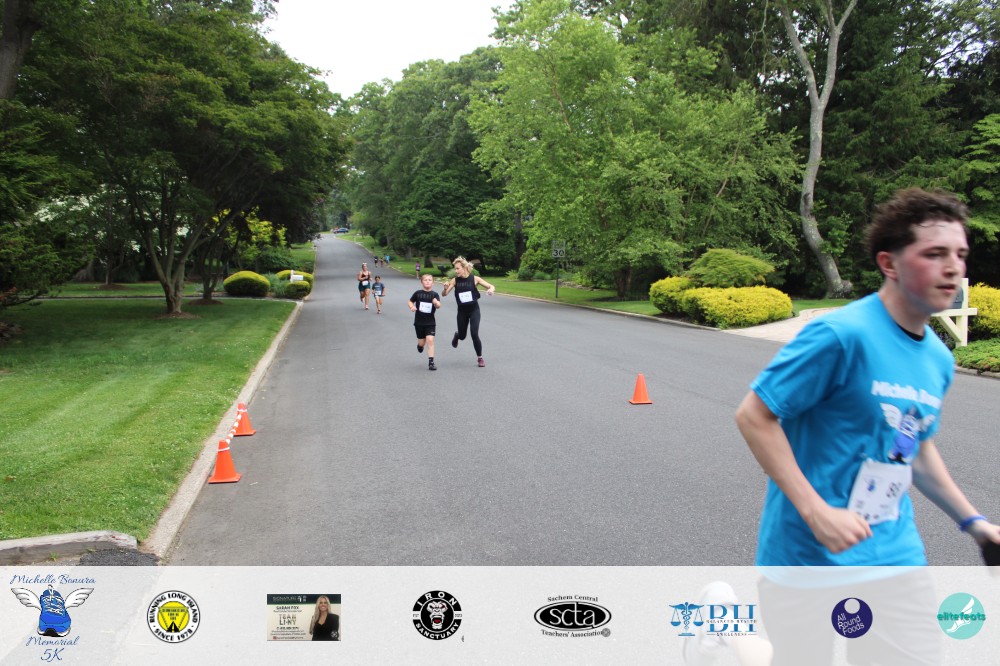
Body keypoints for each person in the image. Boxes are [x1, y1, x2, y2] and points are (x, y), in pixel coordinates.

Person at [734, 187, 1000, 664]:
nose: (953, 267)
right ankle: (725, 646)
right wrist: (817, 512)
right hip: (808, 556)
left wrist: (975, 523)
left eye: (960, 255)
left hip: (893, 555)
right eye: (934, 254)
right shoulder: (841, 335)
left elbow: (914, 447)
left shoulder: (937, 358)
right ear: (889, 263)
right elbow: (755, 416)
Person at [441, 256, 495, 367]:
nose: (456, 271)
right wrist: (445, 288)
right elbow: (444, 294)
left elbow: (491, 286)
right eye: (455, 269)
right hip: (462, 312)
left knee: (474, 333)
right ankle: (457, 335)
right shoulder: (455, 281)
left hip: (474, 310)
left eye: (458, 268)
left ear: (464, 267)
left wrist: (491, 289)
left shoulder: (475, 279)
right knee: (462, 336)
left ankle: (480, 358)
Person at [409, 273, 442, 371]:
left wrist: (436, 303)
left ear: (433, 283)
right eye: (425, 280)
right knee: (421, 343)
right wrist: (412, 306)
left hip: (430, 322)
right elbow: (410, 301)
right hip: (419, 322)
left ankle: (431, 362)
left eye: (430, 280)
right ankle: (420, 346)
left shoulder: (434, 295)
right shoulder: (418, 293)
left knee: (430, 340)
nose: (427, 282)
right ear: (421, 282)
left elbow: (439, 305)